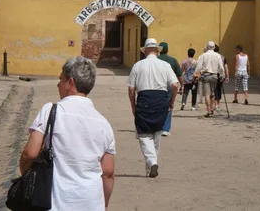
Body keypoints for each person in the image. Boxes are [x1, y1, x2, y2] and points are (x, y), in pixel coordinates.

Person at [19, 56, 116, 211]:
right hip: (91, 203)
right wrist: (103, 204)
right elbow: (108, 172)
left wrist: (28, 179)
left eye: (61, 79)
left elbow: (29, 154)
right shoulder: (104, 124)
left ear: (70, 82)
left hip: (56, 202)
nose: (58, 84)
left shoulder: (50, 111)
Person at [127, 38, 178, 178]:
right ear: (157, 51)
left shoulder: (138, 65)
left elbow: (131, 89)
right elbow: (174, 85)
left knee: (144, 135)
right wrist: (171, 101)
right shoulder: (165, 65)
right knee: (156, 133)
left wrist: (133, 106)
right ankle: (150, 168)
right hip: (161, 100)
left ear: (145, 51)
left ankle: (152, 162)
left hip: (144, 99)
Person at [158, 42, 184, 136]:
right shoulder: (173, 60)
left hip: (158, 86)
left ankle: (158, 126)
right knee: (169, 106)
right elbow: (180, 75)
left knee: (157, 105)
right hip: (170, 85)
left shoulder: (156, 60)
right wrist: (182, 86)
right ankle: (166, 128)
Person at [194, 41, 225, 118]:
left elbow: (199, 66)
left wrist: (195, 74)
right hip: (214, 76)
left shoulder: (203, 55)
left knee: (207, 94)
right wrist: (222, 75)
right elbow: (221, 67)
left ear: (207, 47)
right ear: (214, 47)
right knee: (212, 93)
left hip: (206, 76)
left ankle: (208, 110)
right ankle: (212, 109)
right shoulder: (217, 56)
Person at [213, 45, 229, 112]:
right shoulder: (222, 57)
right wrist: (227, 76)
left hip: (214, 74)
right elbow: (226, 67)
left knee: (214, 89)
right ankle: (218, 103)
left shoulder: (212, 56)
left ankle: (215, 103)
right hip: (221, 75)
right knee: (219, 89)